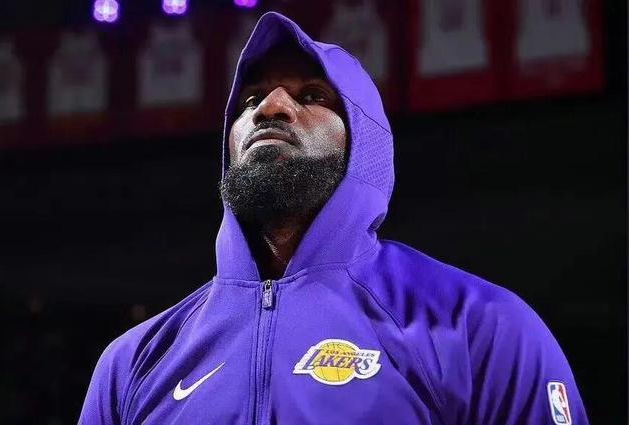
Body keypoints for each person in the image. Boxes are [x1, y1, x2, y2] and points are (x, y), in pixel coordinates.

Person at [80, 12, 588, 424]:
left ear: (363, 145)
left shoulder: (478, 327)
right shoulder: (132, 364)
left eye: (311, 96)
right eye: (251, 99)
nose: (270, 108)